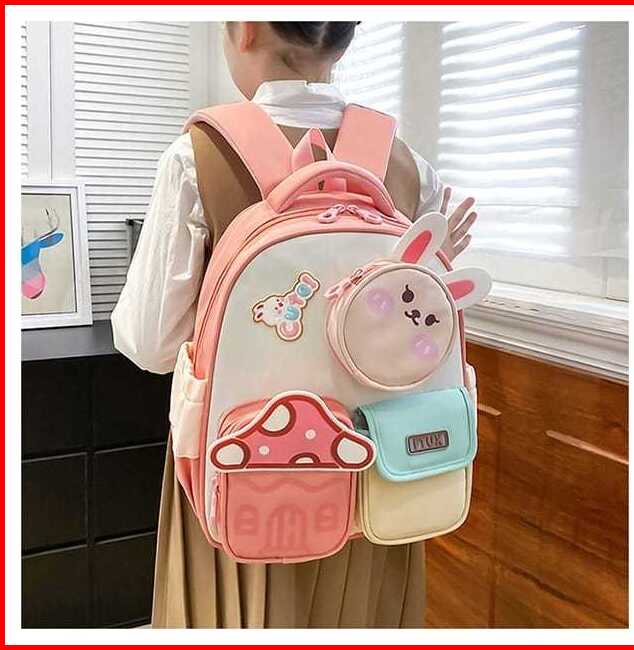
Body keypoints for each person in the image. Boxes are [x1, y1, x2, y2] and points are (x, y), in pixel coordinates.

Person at [111, 21, 477, 629]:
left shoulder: (199, 157)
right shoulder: (410, 166)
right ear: (343, 38)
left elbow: (150, 344)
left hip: (243, 466)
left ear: (245, 27)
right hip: (378, 470)